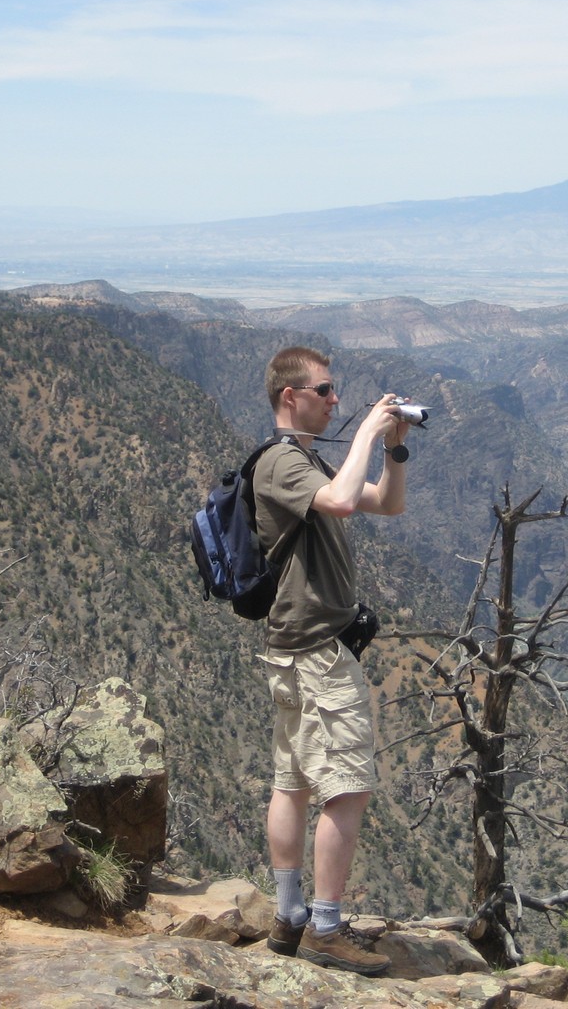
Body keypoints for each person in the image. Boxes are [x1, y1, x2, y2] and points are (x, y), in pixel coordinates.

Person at [251, 345, 410, 976]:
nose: (334, 400)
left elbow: (384, 503)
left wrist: (394, 447)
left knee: (291, 780)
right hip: (316, 651)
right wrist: (368, 430)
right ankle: (324, 926)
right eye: (325, 390)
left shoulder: (305, 461)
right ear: (290, 396)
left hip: (298, 648)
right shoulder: (278, 463)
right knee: (347, 787)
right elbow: (344, 502)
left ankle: (289, 915)